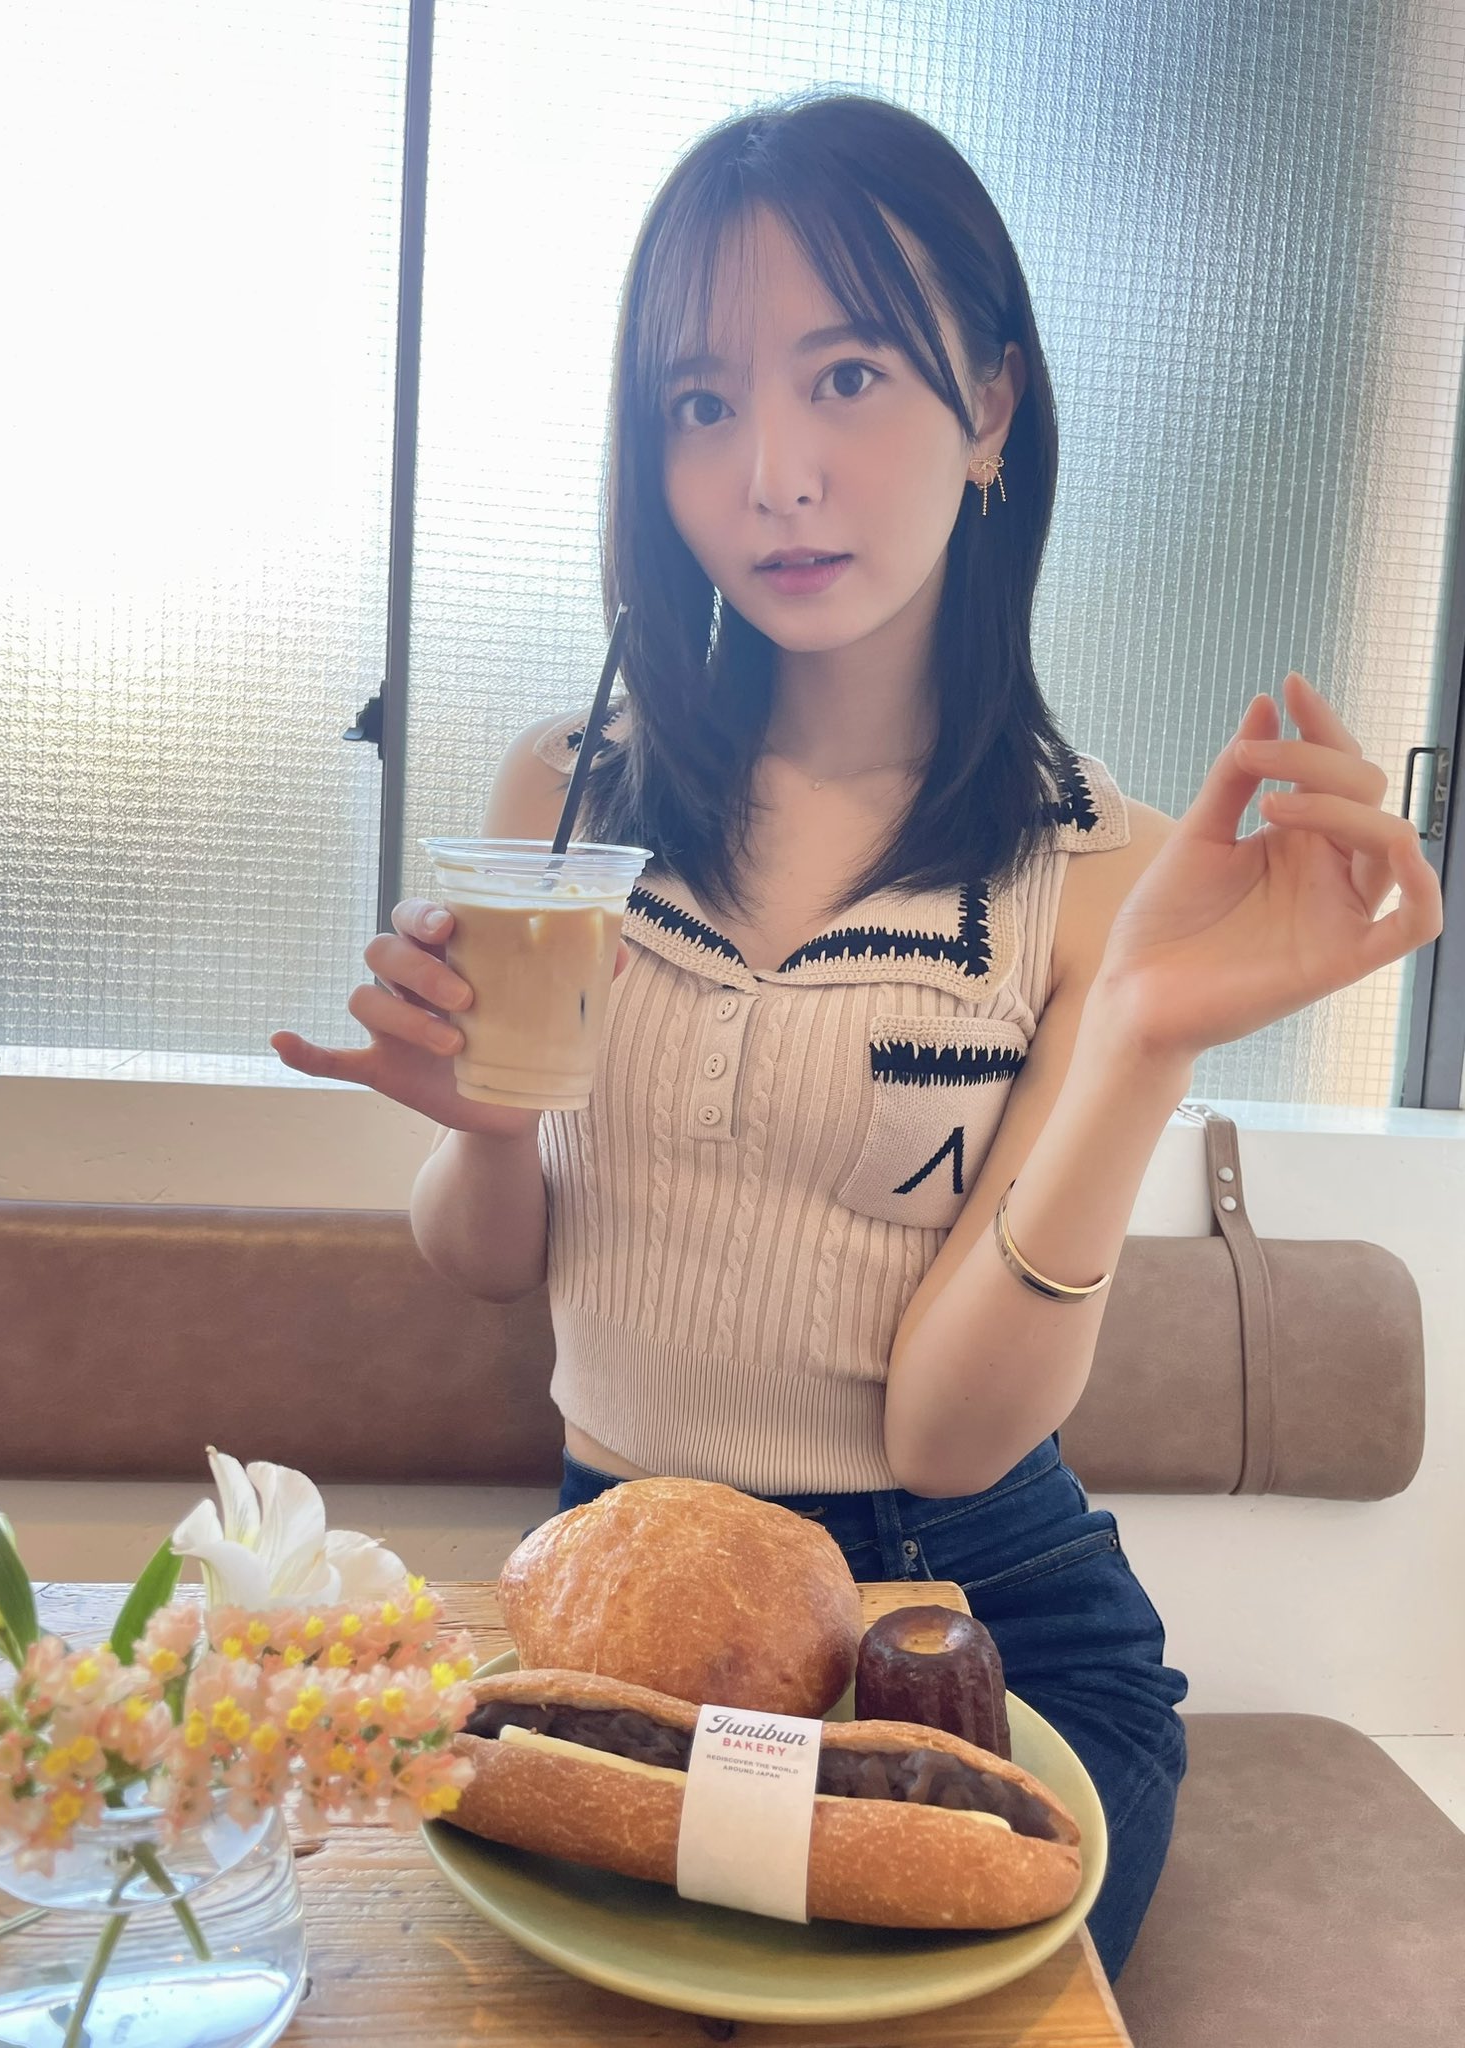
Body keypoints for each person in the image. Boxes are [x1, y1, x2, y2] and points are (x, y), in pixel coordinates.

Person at [271, 94, 1442, 1978]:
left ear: (989, 410)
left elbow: (953, 1435)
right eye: (701, 403)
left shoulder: (1105, 874)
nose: (773, 477)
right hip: (630, 1597)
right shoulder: (566, 800)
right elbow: (495, 1263)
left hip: (963, 1623)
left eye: (846, 377)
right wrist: (480, 1120)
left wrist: (1143, 1040)